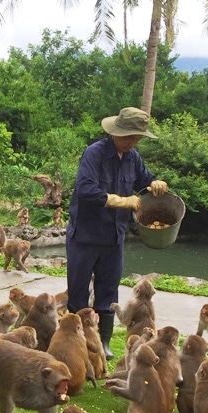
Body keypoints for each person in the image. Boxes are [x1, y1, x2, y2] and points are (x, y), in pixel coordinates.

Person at [66, 107, 168, 358]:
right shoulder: (95, 154)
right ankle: (75, 342)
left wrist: (155, 182)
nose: (134, 142)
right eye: (130, 137)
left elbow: (145, 178)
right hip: (85, 235)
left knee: (109, 290)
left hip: (114, 236)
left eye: (137, 138)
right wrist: (120, 201)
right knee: (78, 291)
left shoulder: (133, 157)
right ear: (116, 132)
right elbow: (86, 189)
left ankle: (104, 343)